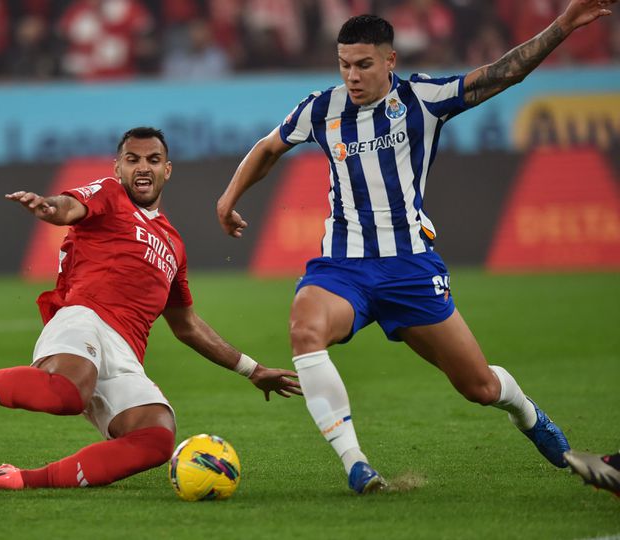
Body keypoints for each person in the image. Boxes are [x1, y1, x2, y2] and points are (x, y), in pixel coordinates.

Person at [216, 0, 615, 494]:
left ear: (390, 61)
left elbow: (502, 74)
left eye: (363, 65)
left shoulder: (423, 98)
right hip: (344, 266)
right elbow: (269, 146)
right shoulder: (322, 108)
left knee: (480, 387)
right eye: (344, 65)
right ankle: (356, 464)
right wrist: (229, 197)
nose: (352, 76)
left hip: (411, 268)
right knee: (304, 326)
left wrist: (564, 24)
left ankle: (538, 423)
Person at [0, 127, 302, 491]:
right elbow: (69, 207)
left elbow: (187, 324)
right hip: (83, 317)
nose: (143, 167)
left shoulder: (174, 245)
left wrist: (252, 369)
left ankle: (20, 479)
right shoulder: (109, 194)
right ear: (118, 167)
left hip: (125, 354)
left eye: (153, 160)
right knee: (66, 394)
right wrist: (49, 207)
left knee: (156, 438)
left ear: (167, 170)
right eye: (132, 159)